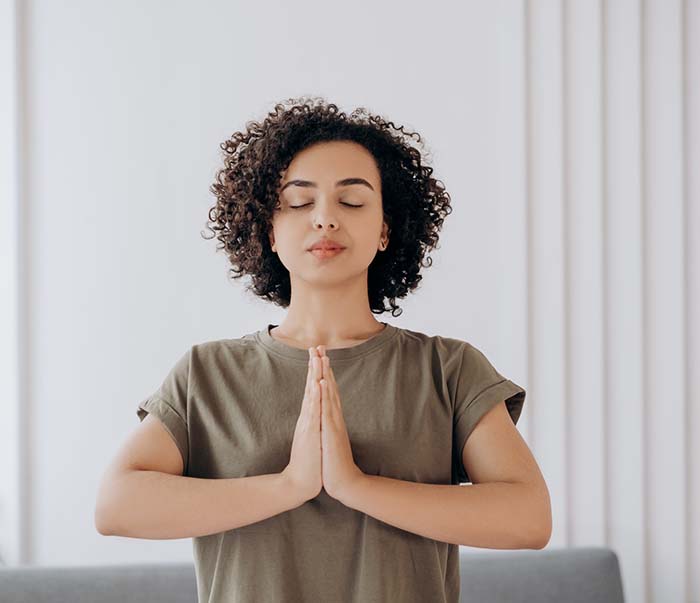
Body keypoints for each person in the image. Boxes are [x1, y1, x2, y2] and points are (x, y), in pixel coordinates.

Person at [101, 96, 551, 603]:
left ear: (385, 230)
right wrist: (290, 485)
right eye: (299, 202)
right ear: (269, 229)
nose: (325, 219)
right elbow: (116, 505)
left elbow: (528, 518)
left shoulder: (446, 369)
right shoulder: (207, 373)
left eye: (352, 201)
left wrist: (355, 485)